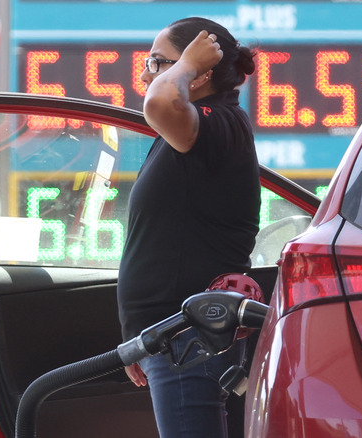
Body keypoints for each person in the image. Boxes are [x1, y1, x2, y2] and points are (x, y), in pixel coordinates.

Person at [116, 17, 260, 438]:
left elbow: (160, 103)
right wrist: (135, 337)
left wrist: (185, 67)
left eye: (157, 62)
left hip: (190, 338)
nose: (146, 74)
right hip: (169, 339)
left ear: (200, 75)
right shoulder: (188, 132)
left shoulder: (217, 125)